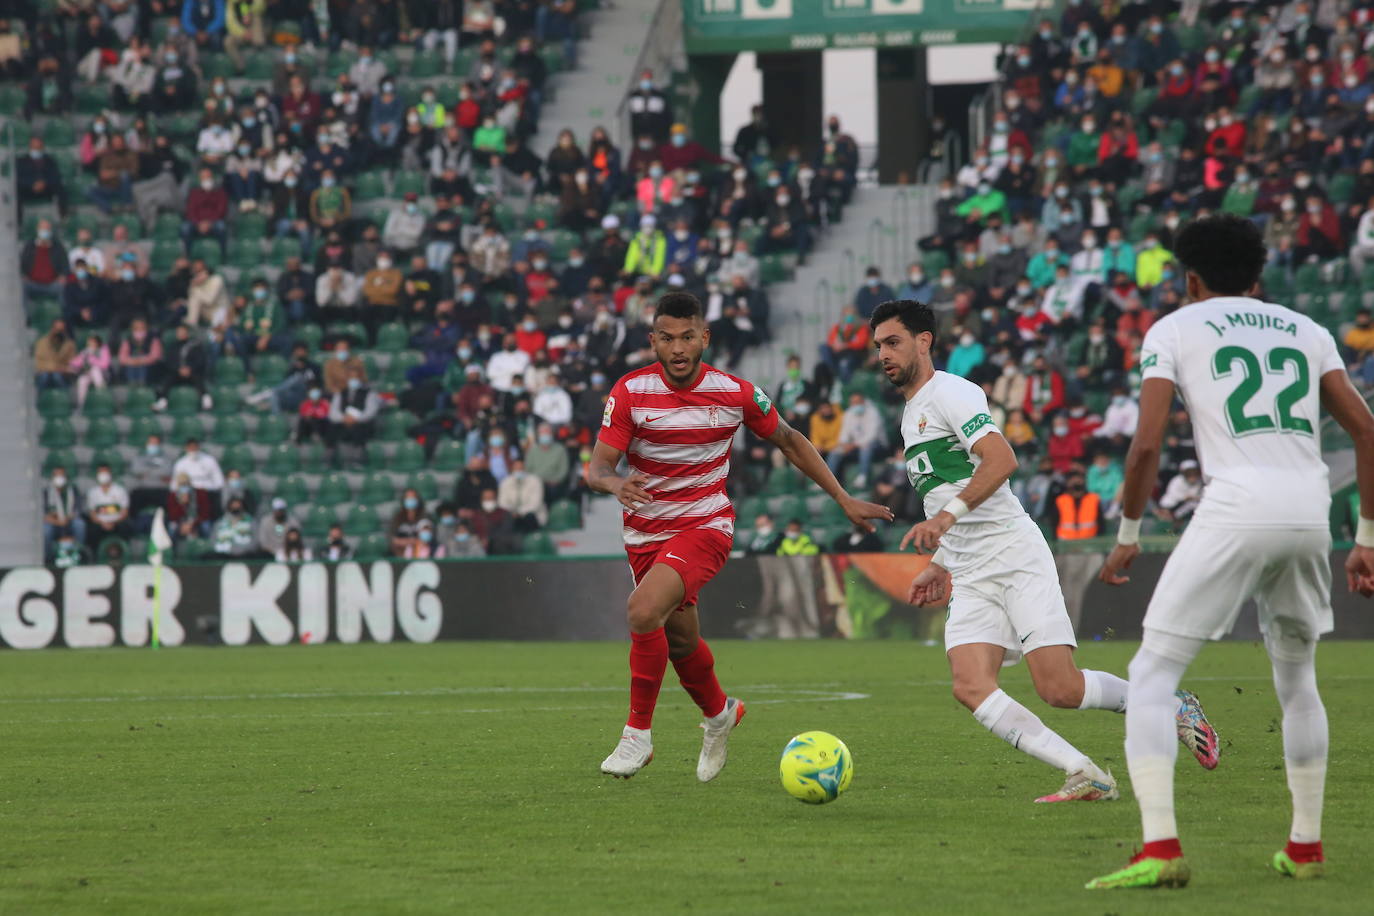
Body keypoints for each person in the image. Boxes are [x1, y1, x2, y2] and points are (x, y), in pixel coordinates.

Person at [1087, 213, 1374, 889]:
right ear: (1258, 275)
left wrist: (1128, 537)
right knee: (1298, 679)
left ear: (1189, 280)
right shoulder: (1308, 330)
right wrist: (1365, 539)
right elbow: (1365, 429)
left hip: (1238, 504)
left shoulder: (1175, 328)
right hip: (1310, 512)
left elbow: (1147, 445)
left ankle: (1159, 848)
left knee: (1153, 673)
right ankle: (1304, 847)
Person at [871, 299, 1216, 807]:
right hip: (969, 568)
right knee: (969, 686)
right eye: (878, 345)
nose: (883, 354)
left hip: (1013, 555)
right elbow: (950, 491)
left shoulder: (953, 391)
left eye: (893, 341)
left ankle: (1169, 705)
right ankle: (1085, 772)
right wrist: (941, 563)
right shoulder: (911, 414)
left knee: (1060, 689)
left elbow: (1001, 459)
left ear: (924, 341)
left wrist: (945, 521)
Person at [587, 291, 892, 780]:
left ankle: (636, 736)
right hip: (645, 535)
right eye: (667, 338)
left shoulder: (736, 393)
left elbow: (791, 439)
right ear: (653, 341)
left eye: (688, 337)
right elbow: (597, 468)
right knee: (680, 641)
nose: (679, 348)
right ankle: (720, 714)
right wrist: (614, 482)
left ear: (704, 337)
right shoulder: (629, 392)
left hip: (705, 526)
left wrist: (842, 497)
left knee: (642, 611)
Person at [42, 465, 86, 560]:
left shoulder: (73, 491)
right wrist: (57, 521)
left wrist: (68, 518)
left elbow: (78, 510)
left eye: (61, 475)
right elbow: (44, 515)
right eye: (56, 476)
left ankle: (78, 554)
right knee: (46, 530)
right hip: (54, 524)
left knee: (79, 524)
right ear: (52, 478)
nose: (59, 478)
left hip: (69, 522)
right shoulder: (47, 493)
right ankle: (48, 558)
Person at [85, 463, 131, 549]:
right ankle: (95, 557)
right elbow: (92, 514)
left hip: (117, 522)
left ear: (110, 474)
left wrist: (113, 523)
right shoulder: (93, 492)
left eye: (105, 473)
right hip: (100, 523)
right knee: (91, 530)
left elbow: (125, 512)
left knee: (126, 527)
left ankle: (123, 553)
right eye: (100, 473)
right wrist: (103, 523)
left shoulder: (120, 490)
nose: (103, 475)